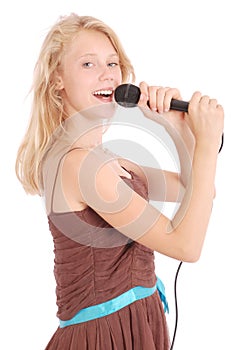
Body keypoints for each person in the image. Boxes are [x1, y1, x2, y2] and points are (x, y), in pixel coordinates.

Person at [15, 13, 224, 350]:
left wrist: (177, 128)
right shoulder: (81, 165)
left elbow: (199, 190)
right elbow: (187, 245)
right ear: (57, 79)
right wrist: (207, 141)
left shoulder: (103, 160)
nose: (107, 74)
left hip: (138, 322)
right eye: (88, 64)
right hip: (105, 336)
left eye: (112, 63)